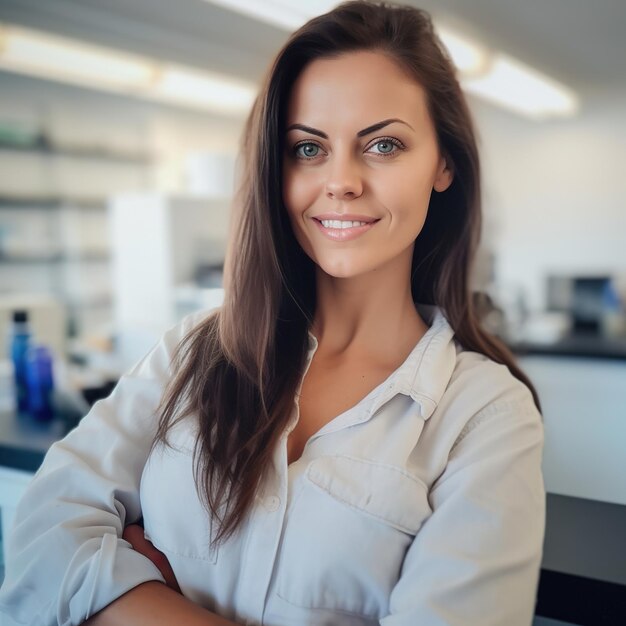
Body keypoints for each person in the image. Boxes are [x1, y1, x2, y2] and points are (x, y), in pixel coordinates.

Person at [0, 1, 546, 625]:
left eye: (384, 145)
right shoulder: (197, 350)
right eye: (308, 149)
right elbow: (44, 535)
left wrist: (131, 593)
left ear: (444, 163)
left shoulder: (487, 417)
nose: (340, 181)